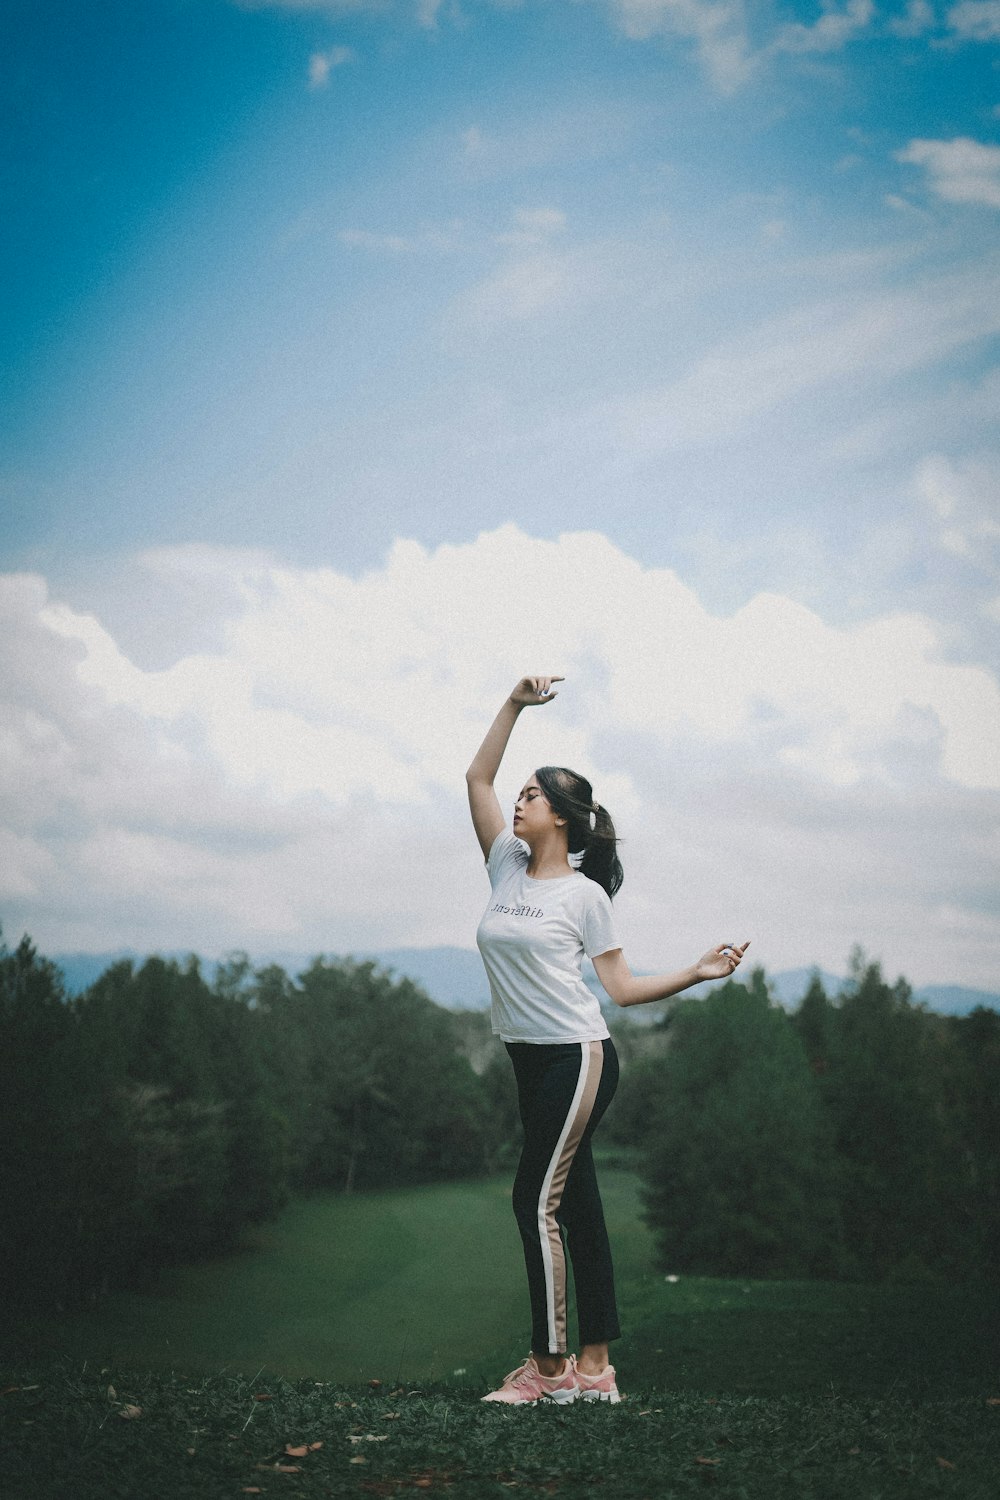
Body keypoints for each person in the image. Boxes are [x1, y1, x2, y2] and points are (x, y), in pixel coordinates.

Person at [467, 673, 749, 1407]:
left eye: (532, 795)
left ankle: (550, 1371)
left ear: (559, 818)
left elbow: (619, 990)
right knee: (577, 1206)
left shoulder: (585, 896)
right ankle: (596, 1369)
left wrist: (694, 971)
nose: (518, 801)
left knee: (534, 1202)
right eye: (521, 793)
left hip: (578, 1057)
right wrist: (513, 704)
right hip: (529, 1061)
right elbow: (476, 775)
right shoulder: (506, 865)